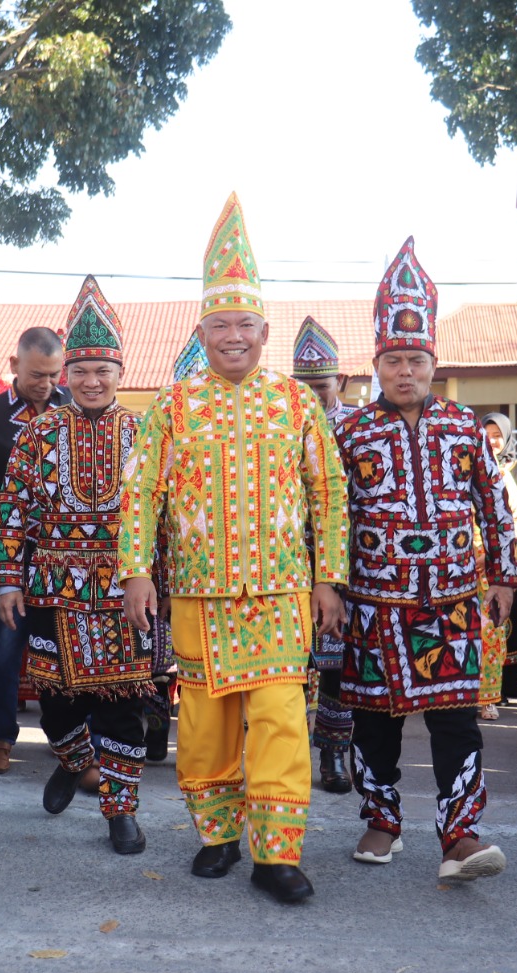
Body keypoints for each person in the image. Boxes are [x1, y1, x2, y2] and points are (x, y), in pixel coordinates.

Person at [120, 193, 348, 903]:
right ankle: (218, 836)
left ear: (264, 328)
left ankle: (276, 855)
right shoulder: (174, 405)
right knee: (204, 723)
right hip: (196, 593)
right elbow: (140, 492)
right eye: (221, 325)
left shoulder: (296, 402)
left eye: (245, 324)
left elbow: (329, 491)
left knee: (281, 717)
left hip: (281, 593)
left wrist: (329, 578)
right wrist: (135, 572)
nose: (234, 337)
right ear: (203, 328)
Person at [333, 236, 517, 883]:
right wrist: (326, 586)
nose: (404, 370)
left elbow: (495, 500)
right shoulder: (350, 433)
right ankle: (382, 820)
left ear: (431, 362)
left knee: (456, 721)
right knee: (374, 721)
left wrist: (504, 575)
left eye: (415, 359)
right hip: (370, 604)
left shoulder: (464, 427)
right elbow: (327, 514)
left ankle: (460, 835)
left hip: (452, 601)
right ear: (377, 364)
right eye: (393, 360)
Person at [0, 276, 156, 853]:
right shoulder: (37, 434)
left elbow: (168, 516)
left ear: (119, 374)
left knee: (124, 707)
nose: (90, 381)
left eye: (102, 371)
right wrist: (8, 580)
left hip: (123, 596)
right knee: (56, 704)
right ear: (67, 374)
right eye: (79, 371)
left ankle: (120, 810)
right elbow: (11, 509)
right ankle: (72, 759)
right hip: (52, 590)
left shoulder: (145, 432)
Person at [0, 327, 68, 772]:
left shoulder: (73, 409)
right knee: (4, 648)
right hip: (10, 559)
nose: (46, 383)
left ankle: (68, 739)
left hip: (66, 558)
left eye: (53, 374)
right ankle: (0, 736)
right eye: (37, 374)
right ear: (13, 365)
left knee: (64, 652)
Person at [289, 315, 356, 794]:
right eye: (303, 386)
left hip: (343, 565)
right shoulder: (279, 421)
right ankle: (287, 757)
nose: (311, 395)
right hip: (289, 564)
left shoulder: (358, 426)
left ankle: (333, 752)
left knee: (335, 665)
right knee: (289, 666)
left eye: (321, 386)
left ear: (343, 381)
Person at [476, 412, 517, 722]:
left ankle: (487, 698)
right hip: (456, 566)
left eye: (498, 434)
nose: (492, 440)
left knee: (490, 634)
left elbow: (513, 523)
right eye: (487, 433)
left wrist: (491, 554)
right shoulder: (456, 468)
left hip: (489, 568)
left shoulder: (503, 475)